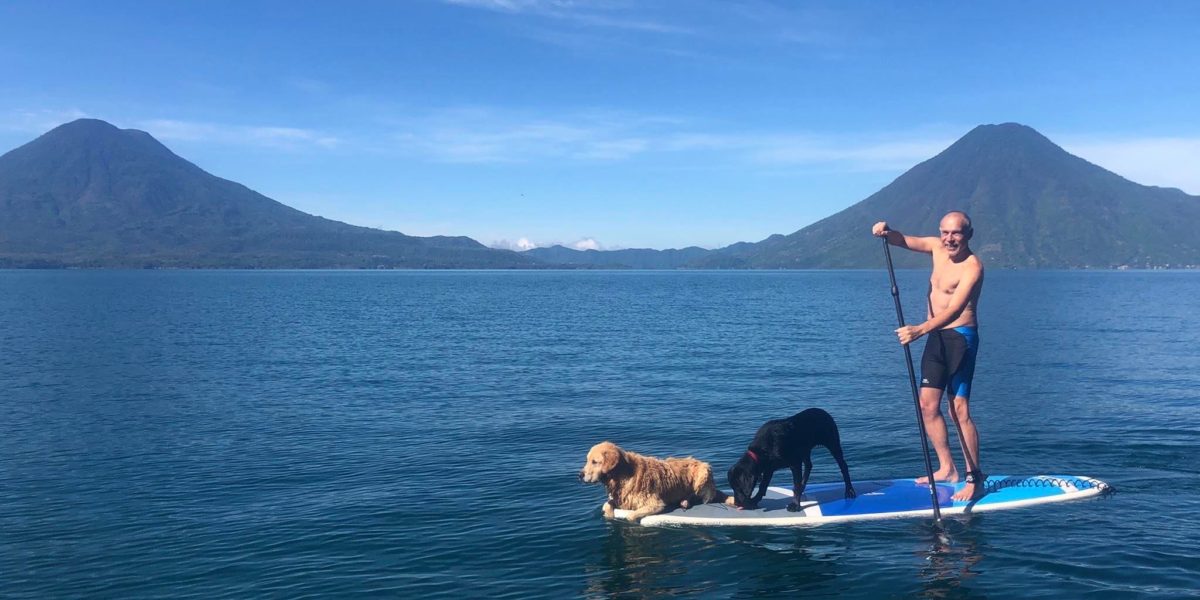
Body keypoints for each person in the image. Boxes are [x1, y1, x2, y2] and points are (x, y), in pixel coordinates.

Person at [872, 211, 986, 500]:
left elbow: (955, 310)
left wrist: (919, 330)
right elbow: (905, 241)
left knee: (958, 409)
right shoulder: (936, 247)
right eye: (945, 232)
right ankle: (947, 468)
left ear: (969, 235)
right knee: (927, 406)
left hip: (960, 338)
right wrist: (887, 231)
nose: (950, 239)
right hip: (935, 337)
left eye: (957, 233)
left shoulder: (973, 267)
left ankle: (975, 478)